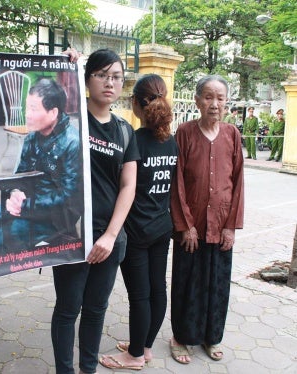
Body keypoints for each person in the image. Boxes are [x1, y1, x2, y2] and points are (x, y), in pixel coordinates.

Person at [51, 48, 139, 374]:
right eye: (101, 75)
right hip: (71, 234)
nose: (109, 82)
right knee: (68, 308)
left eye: (116, 77)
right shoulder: (69, 120)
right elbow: (53, 91)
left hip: (110, 239)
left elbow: (128, 186)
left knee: (96, 310)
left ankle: (88, 369)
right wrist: (66, 65)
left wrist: (111, 236)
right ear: (87, 80)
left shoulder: (124, 130)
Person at [100, 74, 179, 370]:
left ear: (136, 103)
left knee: (140, 296)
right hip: (162, 227)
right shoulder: (171, 141)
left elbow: (128, 187)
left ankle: (133, 356)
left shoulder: (135, 139)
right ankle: (144, 347)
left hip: (136, 231)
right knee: (158, 289)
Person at [169, 75, 244, 364]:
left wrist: (231, 227)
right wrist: (185, 225)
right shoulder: (184, 133)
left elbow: (238, 182)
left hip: (221, 225)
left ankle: (211, 337)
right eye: (209, 97)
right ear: (198, 100)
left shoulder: (232, 134)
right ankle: (181, 338)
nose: (215, 104)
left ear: (226, 102)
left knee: (218, 284)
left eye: (220, 98)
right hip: (191, 225)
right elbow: (177, 183)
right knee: (187, 283)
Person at [0, 78, 82, 256]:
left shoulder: (72, 142)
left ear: (53, 112)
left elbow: (68, 195)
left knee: (9, 230)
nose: (27, 114)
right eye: (27, 108)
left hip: (54, 216)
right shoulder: (32, 138)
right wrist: (16, 193)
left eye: (33, 109)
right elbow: (20, 174)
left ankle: (1, 268)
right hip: (29, 207)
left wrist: (26, 205)